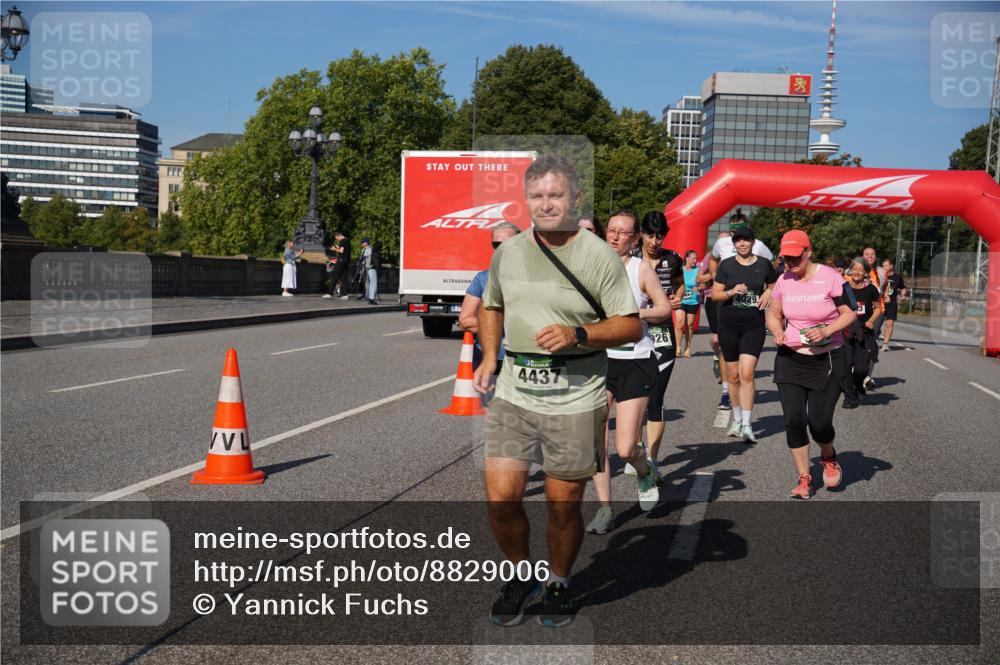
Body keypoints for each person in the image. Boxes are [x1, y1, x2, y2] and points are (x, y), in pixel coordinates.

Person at [473, 155, 641, 627]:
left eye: (556, 195)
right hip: (515, 392)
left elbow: (629, 324)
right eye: (538, 196)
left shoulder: (598, 255)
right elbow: (492, 305)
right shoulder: (508, 251)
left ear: (575, 199)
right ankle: (520, 573)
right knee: (501, 498)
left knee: (562, 506)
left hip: (576, 394)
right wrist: (490, 356)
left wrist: (579, 334)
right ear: (527, 199)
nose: (546, 204)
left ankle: (559, 583)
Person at [586, 209, 672, 535]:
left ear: (635, 239)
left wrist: (640, 312)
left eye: (623, 232)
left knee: (624, 448)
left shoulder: (641, 269)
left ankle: (644, 468)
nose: (615, 236)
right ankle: (605, 509)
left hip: (635, 362)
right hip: (599, 361)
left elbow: (665, 308)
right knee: (595, 440)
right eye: (611, 230)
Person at [766, 230, 856, 499]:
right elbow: (773, 313)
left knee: (819, 423)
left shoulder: (831, 277)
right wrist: (777, 331)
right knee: (793, 420)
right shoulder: (783, 280)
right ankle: (804, 477)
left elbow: (849, 313)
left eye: (795, 258)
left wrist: (828, 331)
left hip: (828, 359)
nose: (790, 263)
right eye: (785, 258)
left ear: (808, 252)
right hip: (791, 358)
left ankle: (828, 456)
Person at [712, 220, 777, 443]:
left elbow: (775, 284)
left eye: (746, 240)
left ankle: (748, 424)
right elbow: (715, 295)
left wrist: (769, 292)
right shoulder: (727, 265)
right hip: (729, 324)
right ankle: (737, 419)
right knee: (733, 375)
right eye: (738, 240)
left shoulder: (764, 264)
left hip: (753, 325)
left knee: (747, 373)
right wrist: (731, 291)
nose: (742, 243)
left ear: (752, 242)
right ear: (734, 243)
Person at [631, 211, 683, 484]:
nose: (655, 241)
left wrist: (675, 300)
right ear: (641, 234)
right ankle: (634, 447)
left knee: (656, 397)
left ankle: (653, 459)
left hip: (662, 332)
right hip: (636, 332)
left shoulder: (673, 259)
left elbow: (680, 287)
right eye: (650, 235)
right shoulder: (630, 259)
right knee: (634, 394)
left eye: (660, 235)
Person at [459, 222, 521, 409]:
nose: (500, 249)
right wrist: (502, 325)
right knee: (493, 419)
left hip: (523, 361)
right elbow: (465, 320)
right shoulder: (483, 278)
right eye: (496, 245)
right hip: (490, 361)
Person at [845, 258, 881, 394]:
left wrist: (871, 320)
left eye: (861, 270)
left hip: (864, 332)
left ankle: (858, 387)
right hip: (846, 332)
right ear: (850, 271)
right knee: (846, 365)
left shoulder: (871, 289)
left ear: (866, 272)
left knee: (861, 369)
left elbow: (878, 308)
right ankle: (849, 396)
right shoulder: (844, 288)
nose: (857, 272)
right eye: (855, 269)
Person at [880, 258, 907, 351]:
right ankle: (874, 338)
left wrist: (903, 295)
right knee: (876, 323)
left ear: (891, 266)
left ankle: (885, 344)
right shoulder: (880, 275)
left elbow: (903, 287)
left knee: (890, 323)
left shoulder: (897, 277)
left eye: (886, 266)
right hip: (879, 302)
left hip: (891, 303)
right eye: (883, 266)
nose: (884, 268)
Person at [862, 247, 887, 338]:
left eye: (872, 254)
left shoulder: (881, 271)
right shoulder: (857, 270)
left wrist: (887, 294)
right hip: (860, 309)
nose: (870, 256)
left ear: (875, 257)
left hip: (877, 309)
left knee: (872, 337)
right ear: (863, 257)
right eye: (867, 254)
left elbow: (886, 285)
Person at [680, 250, 701, 358]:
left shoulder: (698, 270)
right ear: (687, 258)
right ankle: (677, 347)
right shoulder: (681, 270)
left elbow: (704, 283)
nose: (695, 260)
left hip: (693, 300)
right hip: (681, 299)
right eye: (693, 258)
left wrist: (700, 287)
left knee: (690, 324)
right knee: (680, 322)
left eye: (696, 259)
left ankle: (687, 347)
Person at [324, 232, 350, 298]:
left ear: (339, 236)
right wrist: (338, 247)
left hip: (341, 261)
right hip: (346, 261)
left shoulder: (343, 241)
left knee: (334, 276)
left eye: (337, 238)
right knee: (344, 278)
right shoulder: (347, 241)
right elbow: (344, 250)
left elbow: (341, 251)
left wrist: (334, 249)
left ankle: (330, 293)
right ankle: (345, 294)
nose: (337, 240)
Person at [360, 238, 380, 305]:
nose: (362, 243)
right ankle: (371, 298)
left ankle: (370, 298)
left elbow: (364, 258)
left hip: (368, 267)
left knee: (371, 283)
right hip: (371, 267)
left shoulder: (368, 249)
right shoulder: (370, 249)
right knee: (373, 284)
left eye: (363, 242)